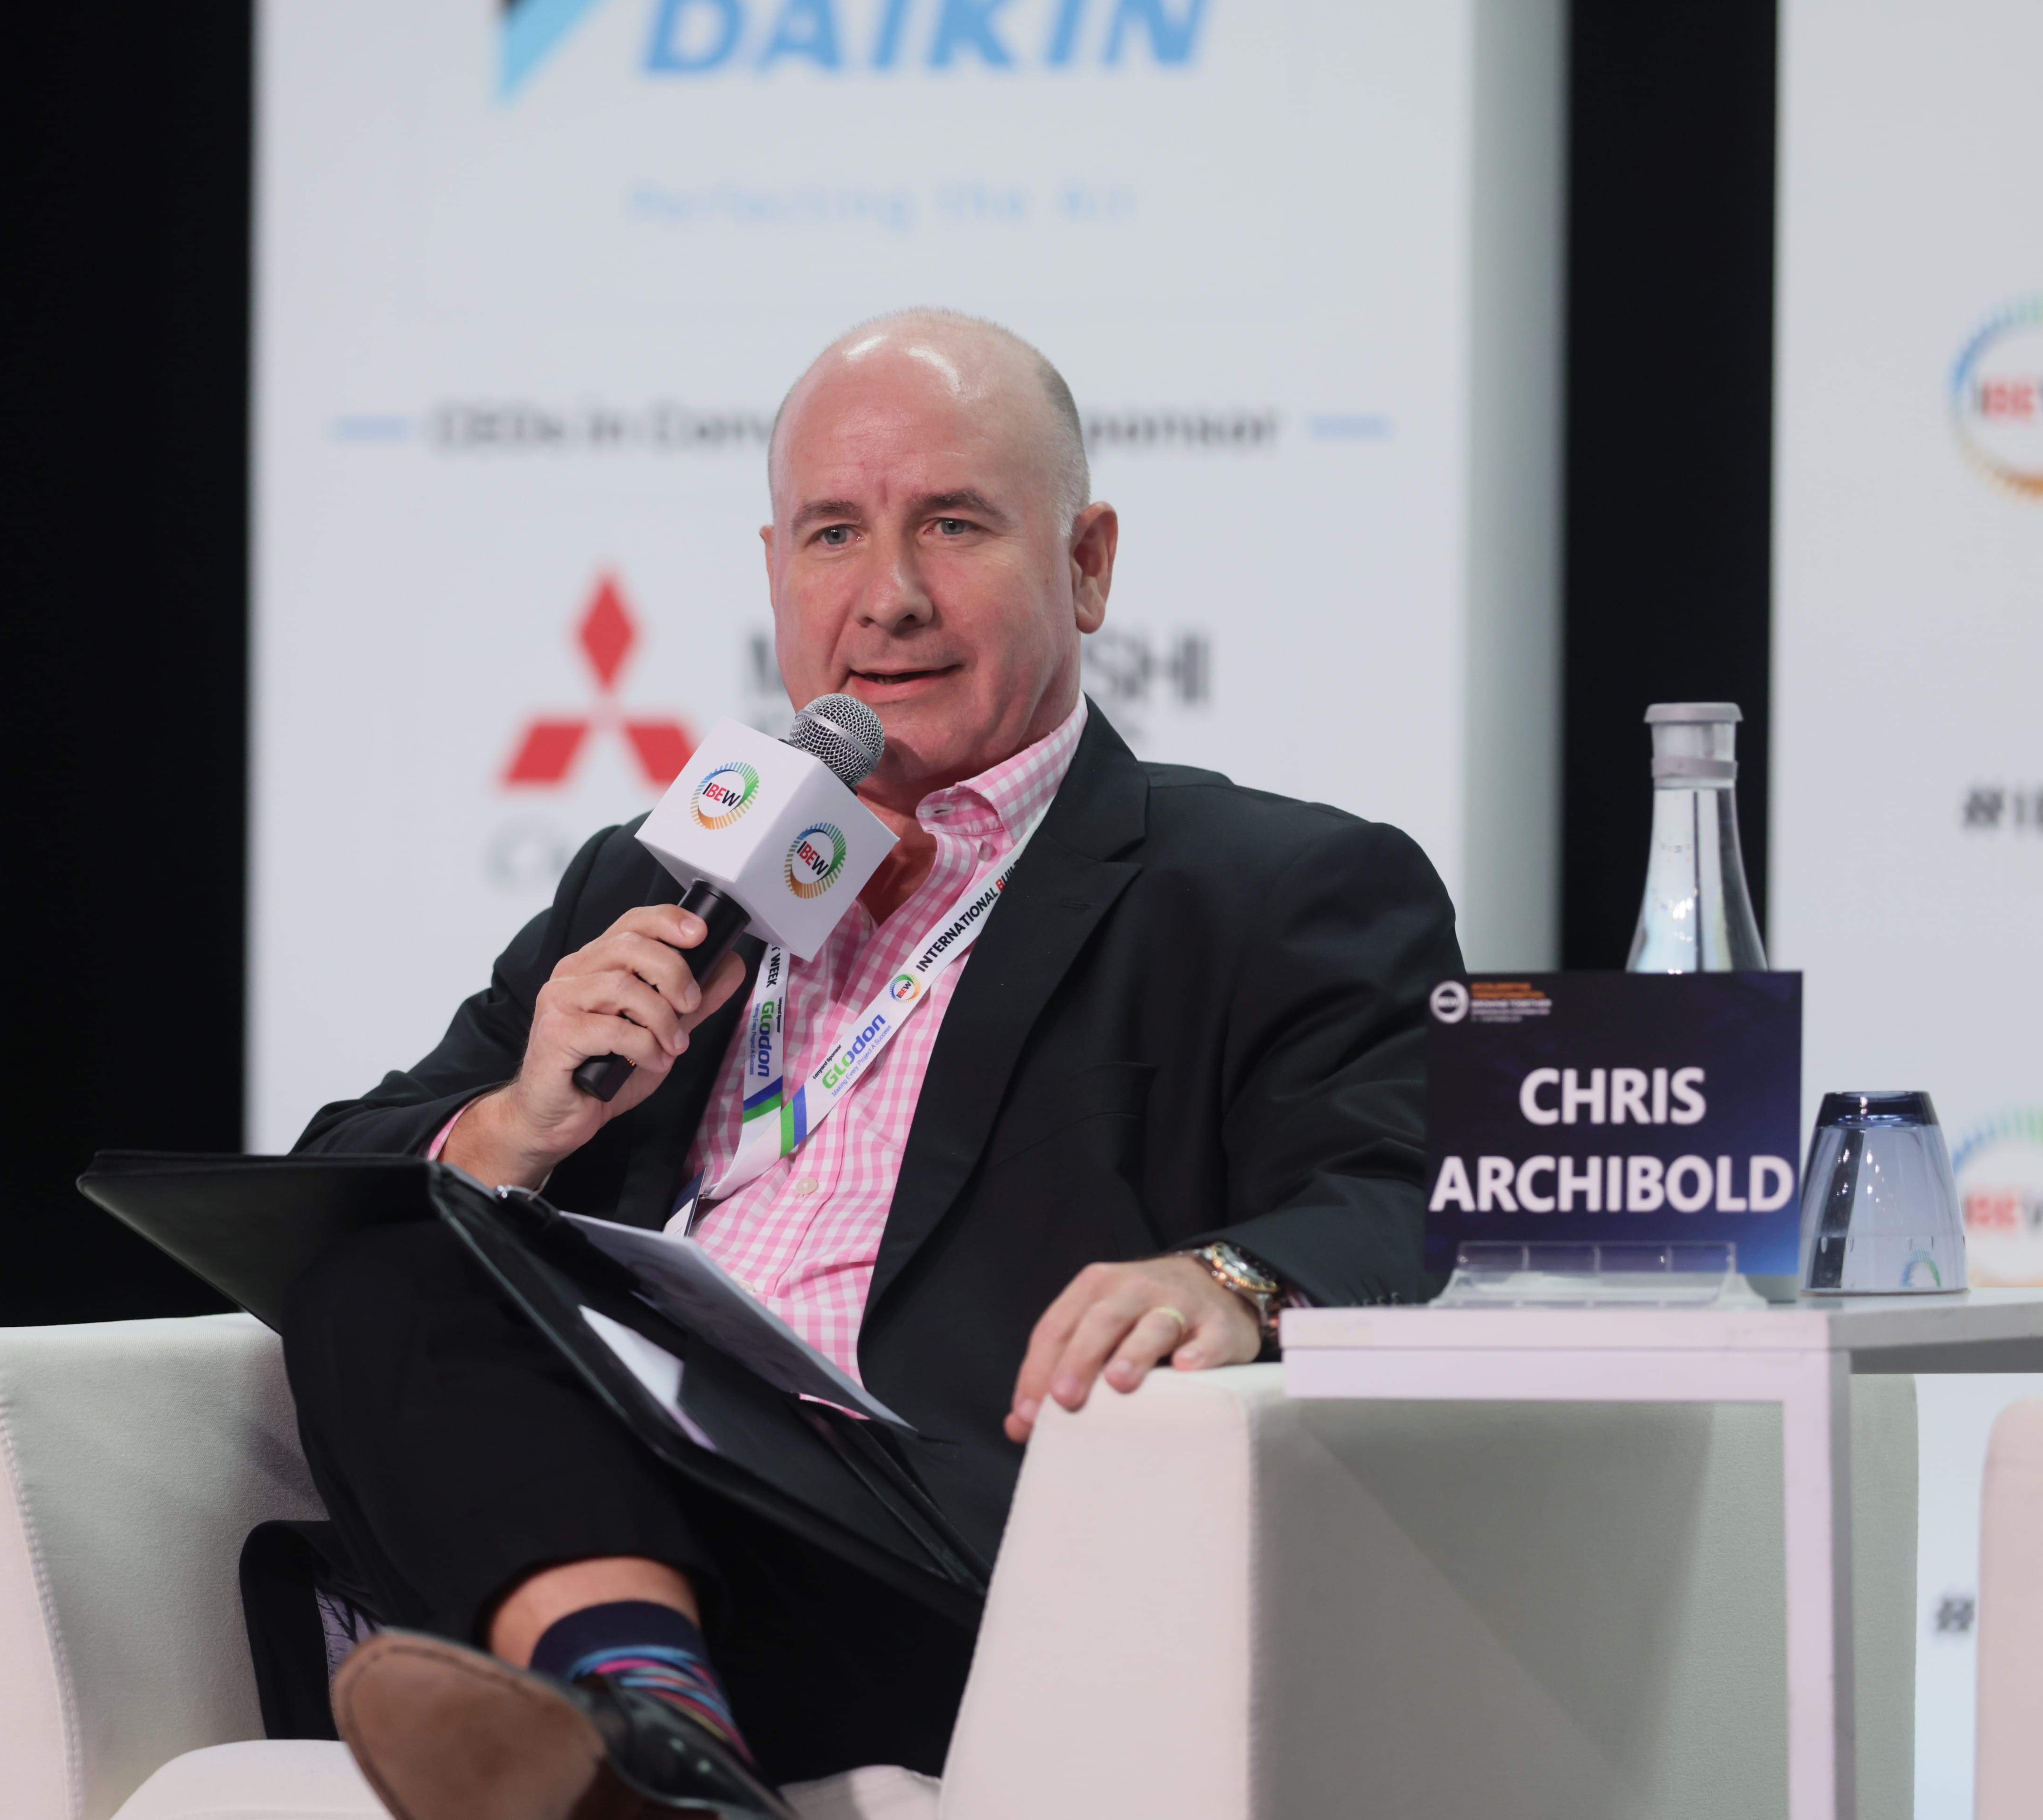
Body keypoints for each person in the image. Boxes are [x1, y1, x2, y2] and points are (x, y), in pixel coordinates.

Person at [281, 310, 1461, 1820]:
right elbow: (333, 1177)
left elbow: (1417, 1194)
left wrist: (1219, 1282)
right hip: (634, 1524)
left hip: (933, 1555)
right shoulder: (648, 882)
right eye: (835, 534)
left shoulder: (1270, 886)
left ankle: (624, 1738)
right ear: (776, 569)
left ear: (1089, 562)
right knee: (390, 1266)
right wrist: (518, 1122)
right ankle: (649, 1736)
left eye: (954, 525)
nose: (887, 599)